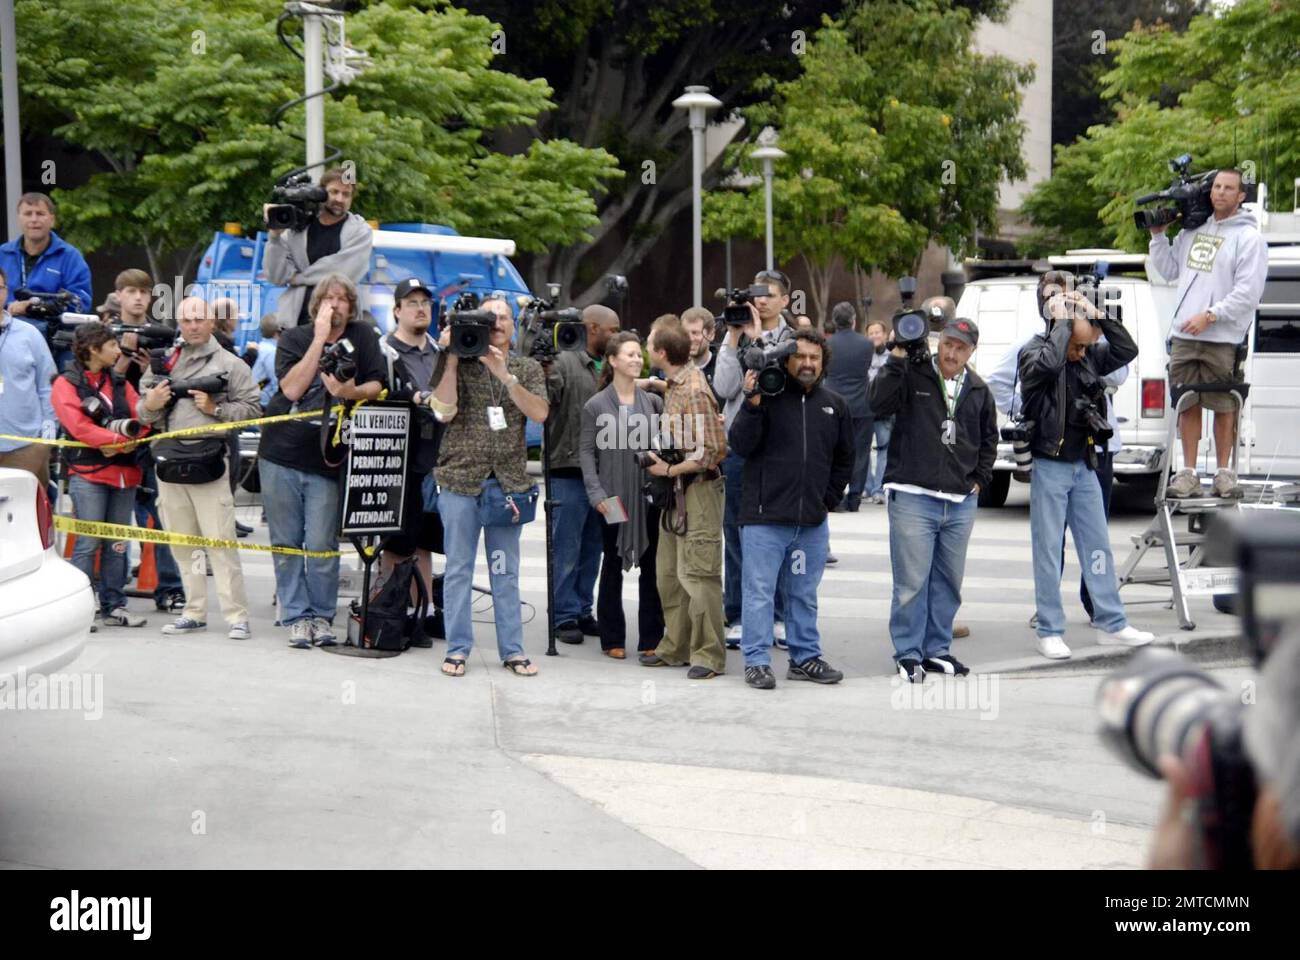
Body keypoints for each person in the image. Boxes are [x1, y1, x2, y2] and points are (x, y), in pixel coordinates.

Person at [987, 273, 1129, 626]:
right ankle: (1050, 616)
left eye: (1064, 296)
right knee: (1051, 544)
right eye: (1051, 296)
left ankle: (1099, 606)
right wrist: (1029, 410)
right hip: (1052, 456)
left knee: (1096, 539)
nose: (1058, 301)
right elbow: (1003, 380)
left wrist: (1093, 317)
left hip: (1092, 450)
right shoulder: (1032, 345)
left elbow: (1122, 367)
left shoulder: (1091, 346)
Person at [1019, 294, 1153, 660]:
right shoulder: (1034, 352)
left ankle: (1111, 622)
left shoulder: (1090, 355)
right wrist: (1064, 324)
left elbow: (1127, 349)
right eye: (1077, 346)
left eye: (1085, 345)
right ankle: (1049, 629)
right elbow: (1047, 366)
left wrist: (1097, 315)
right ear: (1059, 331)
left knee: (1098, 548)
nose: (1082, 352)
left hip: (1085, 464)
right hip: (1050, 464)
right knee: (1047, 551)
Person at [258, 273, 387, 648]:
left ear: (352, 304)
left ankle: (322, 614)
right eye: (328, 298)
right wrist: (318, 338)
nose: (336, 304)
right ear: (316, 304)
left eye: (343, 298)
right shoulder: (296, 337)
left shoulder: (362, 335)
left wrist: (350, 392)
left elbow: (377, 384)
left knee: (321, 541)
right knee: (285, 540)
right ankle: (296, 615)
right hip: (282, 452)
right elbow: (292, 388)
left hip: (329, 456)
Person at [870, 318, 998, 683]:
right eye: (948, 344)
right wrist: (896, 356)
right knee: (911, 583)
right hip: (913, 495)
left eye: (961, 347)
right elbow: (876, 403)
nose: (952, 353)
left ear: (971, 351)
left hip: (959, 501)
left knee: (948, 582)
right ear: (938, 343)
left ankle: (937, 650)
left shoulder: (977, 389)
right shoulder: (913, 373)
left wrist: (979, 481)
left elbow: (989, 438)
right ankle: (908, 652)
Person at [429, 293, 549, 677]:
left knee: (504, 570)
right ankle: (457, 648)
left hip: (507, 486)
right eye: (488, 318)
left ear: (513, 328)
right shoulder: (456, 362)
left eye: (503, 318)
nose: (495, 324)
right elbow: (441, 412)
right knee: (459, 568)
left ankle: (512, 650)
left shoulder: (527, 367)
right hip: (460, 481)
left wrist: (506, 378)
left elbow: (540, 414)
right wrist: (450, 357)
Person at [730, 328, 854, 690]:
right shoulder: (766, 398)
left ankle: (804, 658)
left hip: (810, 525)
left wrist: (826, 500)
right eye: (800, 356)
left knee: (802, 593)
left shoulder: (835, 405)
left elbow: (846, 459)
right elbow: (740, 445)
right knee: (759, 593)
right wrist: (751, 405)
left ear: (823, 362)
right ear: (787, 359)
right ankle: (756, 661)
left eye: (815, 358)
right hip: (765, 521)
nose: (808, 363)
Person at [137, 298, 260, 639]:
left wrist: (216, 409)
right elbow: (142, 410)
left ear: (211, 323)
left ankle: (237, 616)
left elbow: (253, 410)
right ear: (179, 322)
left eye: (199, 319)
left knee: (220, 543)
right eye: (187, 319)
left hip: (209, 462)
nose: (192, 325)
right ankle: (194, 611)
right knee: (183, 543)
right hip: (170, 463)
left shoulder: (231, 364)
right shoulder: (164, 361)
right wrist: (150, 404)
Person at [1147, 169, 1268, 500]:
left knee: (1224, 404)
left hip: (1222, 336)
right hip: (1185, 333)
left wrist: (1212, 315)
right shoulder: (1192, 232)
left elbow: (1249, 292)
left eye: (1229, 188)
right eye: (1217, 187)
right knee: (1188, 403)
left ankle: (1223, 472)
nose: (1221, 193)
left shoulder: (1249, 238)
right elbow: (1169, 269)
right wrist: (1158, 236)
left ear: (1241, 196)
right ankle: (1187, 472)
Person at [638, 316, 728, 680]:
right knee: (669, 575)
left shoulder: (693, 389)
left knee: (699, 575)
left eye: (648, 342)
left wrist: (668, 471)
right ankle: (675, 646)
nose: (645, 346)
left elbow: (713, 451)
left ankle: (708, 656)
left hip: (698, 489)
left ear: (661, 352)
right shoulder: (675, 384)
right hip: (675, 494)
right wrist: (654, 384)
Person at [712, 269, 795, 647]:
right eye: (755, 293)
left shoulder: (791, 340)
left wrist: (759, 338)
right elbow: (725, 388)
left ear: (785, 301)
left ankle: (775, 615)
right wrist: (732, 336)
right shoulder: (733, 336)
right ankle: (739, 615)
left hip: (777, 449)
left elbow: (784, 388)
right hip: (738, 449)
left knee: (776, 536)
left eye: (769, 293)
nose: (760, 300)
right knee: (736, 533)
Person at [50, 322, 149, 628]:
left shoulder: (119, 382)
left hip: (126, 474)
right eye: (112, 346)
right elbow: (78, 428)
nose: (119, 351)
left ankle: (114, 604)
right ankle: (78, 609)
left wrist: (127, 440)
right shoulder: (65, 384)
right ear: (93, 349)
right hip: (89, 473)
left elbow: (141, 416)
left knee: (118, 543)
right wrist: (119, 441)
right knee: (87, 543)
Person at [103, 268, 188, 614]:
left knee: (162, 516)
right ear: (118, 295)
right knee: (116, 519)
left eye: (144, 292)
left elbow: (176, 381)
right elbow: (101, 381)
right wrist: (124, 355)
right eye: (131, 291)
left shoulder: (164, 334)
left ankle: (170, 587)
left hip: (154, 435)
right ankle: (110, 589)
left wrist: (153, 364)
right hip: (115, 435)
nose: (138, 298)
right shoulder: (105, 334)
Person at [579, 331, 665, 659]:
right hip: (612, 499)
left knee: (651, 567)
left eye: (637, 353)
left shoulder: (653, 402)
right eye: (628, 354)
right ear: (612, 360)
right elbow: (586, 452)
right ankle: (612, 636)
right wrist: (596, 493)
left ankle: (651, 639)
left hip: (648, 497)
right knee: (612, 564)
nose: (635, 359)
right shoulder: (596, 404)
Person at [544, 304, 620, 645]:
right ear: (592, 328)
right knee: (567, 546)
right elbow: (545, 402)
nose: (616, 335)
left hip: (605, 474)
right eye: (612, 330)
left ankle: (582, 609)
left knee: (594, 546)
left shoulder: (613, 366)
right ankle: (562, 614)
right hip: (568, 468)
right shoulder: (564, 362)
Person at [377, 278, 446, 640]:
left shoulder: (439, 350)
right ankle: (394, 609)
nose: (421, 308)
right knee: (396, 542)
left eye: (425, 302)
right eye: (412, 302)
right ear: (397, 310)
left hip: (434, 458)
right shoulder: (383, 350)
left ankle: (425, 612)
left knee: (425, 542)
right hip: (396, 460)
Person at [263, 168, 373, 328]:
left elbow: (342, 273)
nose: (340, 199)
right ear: (321, 192)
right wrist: (274, 237)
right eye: (334, 192)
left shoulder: (360, 231)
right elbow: (276, 277)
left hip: (340, 325)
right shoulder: (297, 228)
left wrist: (298, 279)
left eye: (346, 194)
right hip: (296, 324)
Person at [0, 192, 92, 347]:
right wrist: (10, 307)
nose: (34, 219)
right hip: (5, 334)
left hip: (56, 339)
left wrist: (32, 307)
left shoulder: (70, 257)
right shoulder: (3, 253)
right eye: (28, 214)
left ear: (52, 219)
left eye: (40, 214)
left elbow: (81, 304)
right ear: (19, 219)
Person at [0, 267, 57, 487]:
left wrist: (46, 439)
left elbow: (48, 385)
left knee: (31, 517)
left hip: (26, 449)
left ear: (6, 292)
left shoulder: (29, 334)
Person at [824, 300, 873, 512]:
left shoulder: (827, 345)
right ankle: (854, 499)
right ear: (854, 320)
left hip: (833, 403)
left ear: (834, 322)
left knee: (831, 451)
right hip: (862, 404)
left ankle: (832, 496)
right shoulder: (867, 344)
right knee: (860, 453)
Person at [863, 319, 892, 503]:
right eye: (871, 333)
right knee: (862, 450)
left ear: (884, 334)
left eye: (877, 332)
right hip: (865, 409)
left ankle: (878, 489)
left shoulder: (891, 356)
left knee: (884, 449)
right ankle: (866, 486)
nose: (874, 336)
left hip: (885, 411)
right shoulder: (863, 355)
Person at [250, 314, 281, 408]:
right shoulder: (272, 352)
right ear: (277, 333)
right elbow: (276, 382)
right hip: (262, 403)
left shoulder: (261, 348)